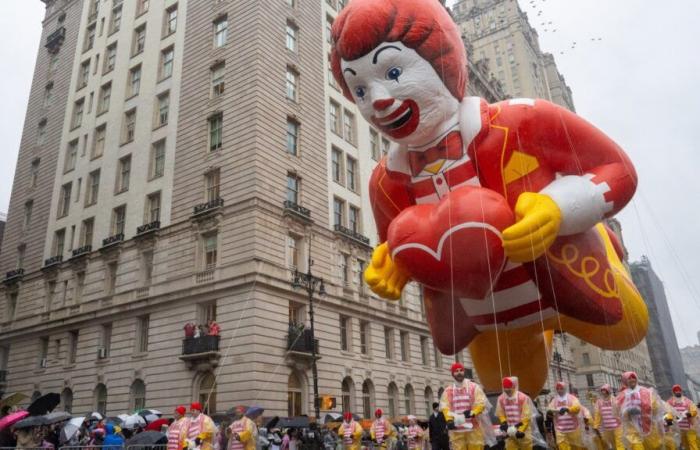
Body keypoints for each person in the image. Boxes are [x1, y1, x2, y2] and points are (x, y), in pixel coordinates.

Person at [330, 0, 646, 397]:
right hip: (489, 320)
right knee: (510, 388)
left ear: (443, 59)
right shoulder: (385, 181)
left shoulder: (521, 118)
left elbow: (618, 169)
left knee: (627, 329)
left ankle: (597, 260)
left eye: (393, 73)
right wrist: (392, 266)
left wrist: (557, 208)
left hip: (570, 283)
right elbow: (395, 245)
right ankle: (536, 353)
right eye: (359, 88)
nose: (376, 99)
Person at [439, 362, 492, 450]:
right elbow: (445, 407)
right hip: (457, 429)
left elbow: (481, 402)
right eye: (456, 371)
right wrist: (449, 420)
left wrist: (473, 412)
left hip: (473, 427)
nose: (459, 373)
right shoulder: (448, 390)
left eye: (461, 370)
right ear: (452, 374)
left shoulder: (474, 387)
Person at [616, 371, 664, 450]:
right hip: (632, 431)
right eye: (629, 378)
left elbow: (656, 409)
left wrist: (645, 410)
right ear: (625, 381)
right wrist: (628, 411)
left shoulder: (647, 392)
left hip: (649, 428)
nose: (632, 380)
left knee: (654, 447)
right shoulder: (621, 396)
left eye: (633, 377)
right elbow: (618, 414)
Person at [496, 377, 535, 450]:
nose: (507, 390)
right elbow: (500, 413)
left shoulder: (522, 398)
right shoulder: (501, 398)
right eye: (505, 388)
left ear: (513, 386)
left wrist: (521, 430)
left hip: (523, 433)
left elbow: (526, 416)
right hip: (510, 432)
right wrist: (504, 422)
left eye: (509, 387)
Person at [547, 382, 583, 450]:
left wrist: (567, 409)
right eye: (557, 389)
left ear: (565, 389)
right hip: (560, 430)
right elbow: (549, 408)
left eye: (561, 388)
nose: (559, 390)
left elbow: (577, 407)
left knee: (576, 447)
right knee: (562, 447)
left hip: (573, 429)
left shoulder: (572, 398)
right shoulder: (554, 400)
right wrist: (550, 411)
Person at [667, 384, 698, 450]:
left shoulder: (688, 402)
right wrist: (670, 426)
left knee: (692, 444)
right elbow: (666, 413)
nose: (677, 392)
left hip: (689, 428)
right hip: (678, 430)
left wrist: (687, 414)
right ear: (673, 392)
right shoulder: (670, 403)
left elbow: (694, 411)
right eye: (675, 390)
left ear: (681, 391)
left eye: (679, 390)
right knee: (684, 445)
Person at [593, 385, 623, 450]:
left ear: (608, 392)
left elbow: (620, 412)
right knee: (612, 444)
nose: (604, 393)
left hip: (617, 427)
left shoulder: (615, 400)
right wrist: (596, 426)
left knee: (619, 443)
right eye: (602, 392)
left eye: (605, 391)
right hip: (606, 428)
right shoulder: (599, 402)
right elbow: (597, 414)